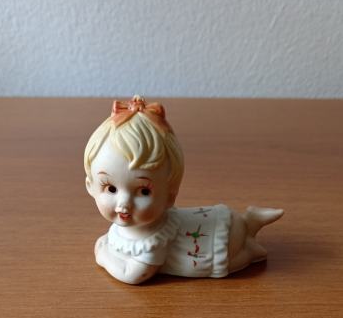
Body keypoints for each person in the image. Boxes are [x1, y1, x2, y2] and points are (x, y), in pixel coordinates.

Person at [84, 95, 283, 285]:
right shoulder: (126, 227)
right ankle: (250, 224)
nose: (123, 204)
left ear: (170, 196)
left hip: (223, 240)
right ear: (90, 186)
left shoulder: (154, 240)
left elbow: (133, 274)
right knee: (242, 230)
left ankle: (249, 247)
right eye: (111, 188)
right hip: (224, 220)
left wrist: (103, 256)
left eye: (144, 192)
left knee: (235, 257)